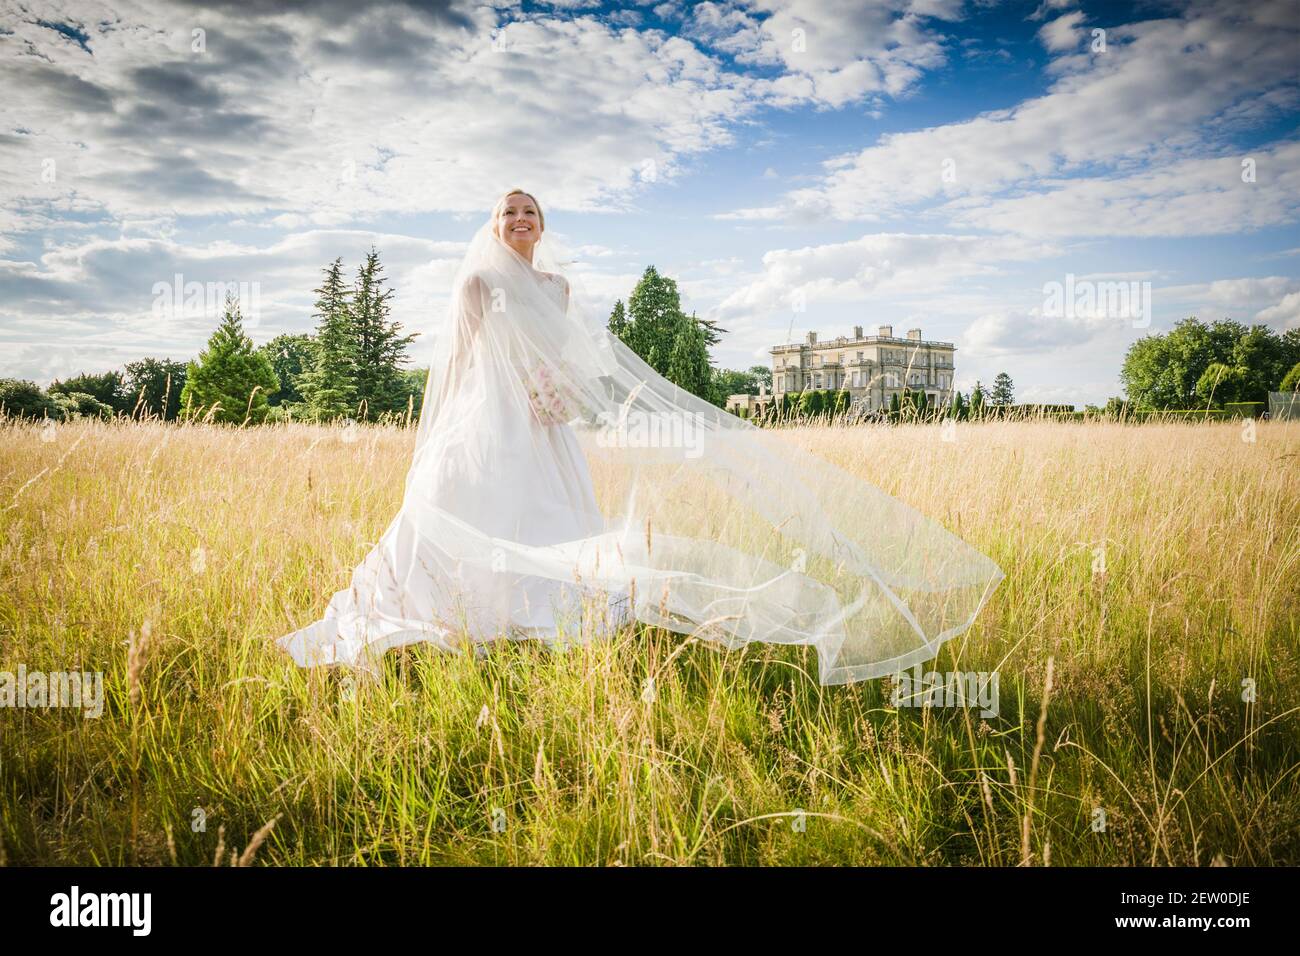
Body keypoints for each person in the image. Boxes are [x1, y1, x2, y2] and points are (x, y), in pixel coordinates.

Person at [276, 188, 1004, 685]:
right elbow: (462, 363)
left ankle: (528, 618)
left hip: (545, 425)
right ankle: (459, 612)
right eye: (509, 211)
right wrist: (457, 428)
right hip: (486, 423)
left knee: (552, 520)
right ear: (493, 225)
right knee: (467, 512)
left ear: (543, 225)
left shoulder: (557, 290)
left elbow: (574, 359)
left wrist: (560, 392)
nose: (520, 219)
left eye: (530, 211)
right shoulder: (473, 287)